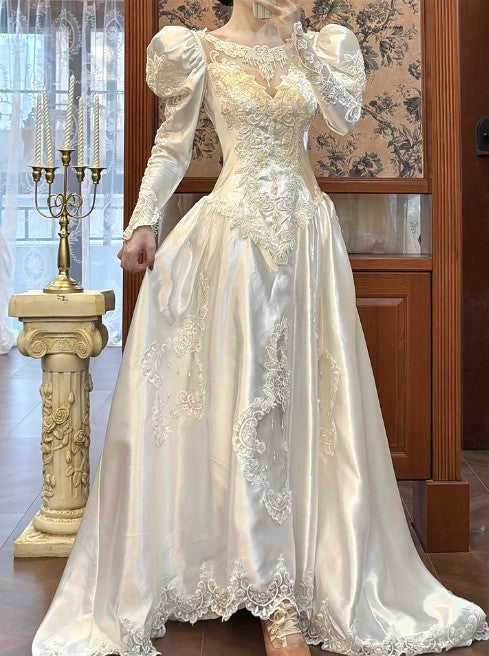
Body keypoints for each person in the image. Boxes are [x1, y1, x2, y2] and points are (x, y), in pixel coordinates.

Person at [32, 0, 489, 654]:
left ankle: (305, 574)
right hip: (236, 245)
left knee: (308, 407)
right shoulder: (197, 51)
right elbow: (173, 144)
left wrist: (300, 39)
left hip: (306, 245)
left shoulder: (322, 45)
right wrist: (142, 220)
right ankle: (268, 592)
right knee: (248, 403)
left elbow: (344, 117)